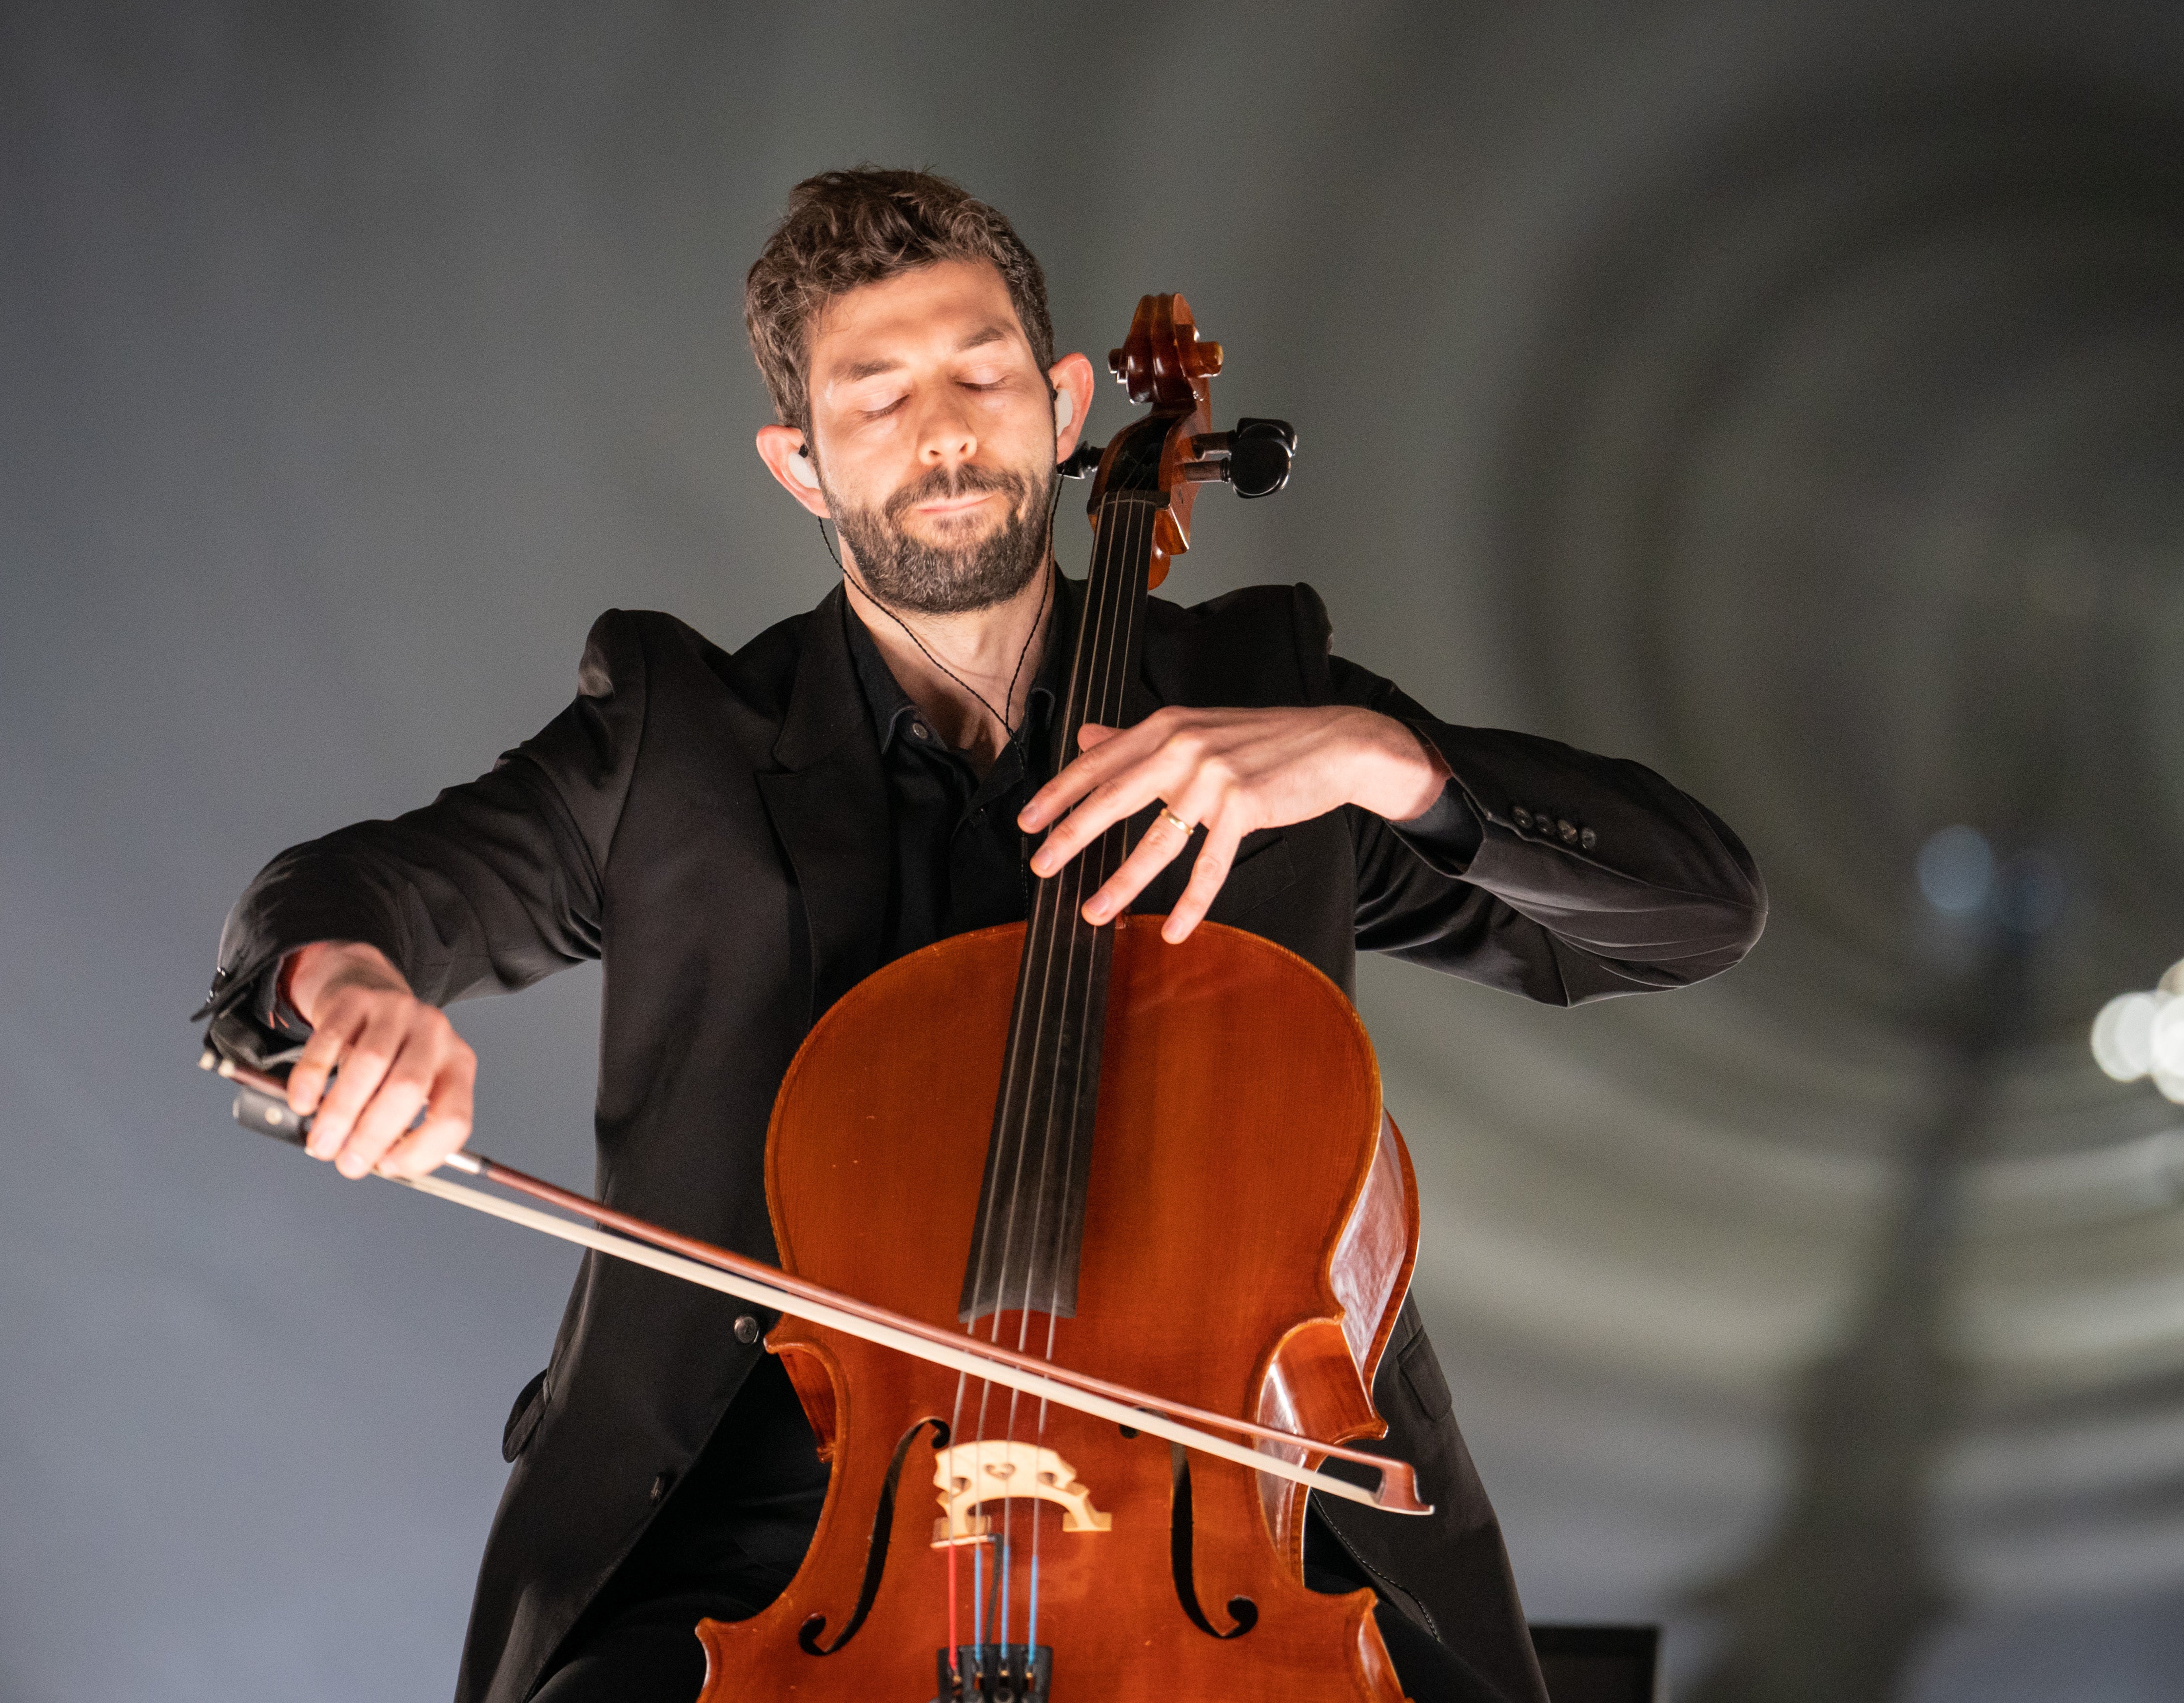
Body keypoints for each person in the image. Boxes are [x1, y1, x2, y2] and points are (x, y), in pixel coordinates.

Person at [198, 168, 1765, 1703]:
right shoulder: (677, 742)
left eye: (981, 371)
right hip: (767, 1540)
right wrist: (340, 988)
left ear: (1068, 405)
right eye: (874, 396)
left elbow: (1691, 909)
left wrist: (1388, 762)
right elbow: (359, 896)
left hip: (1227, 1521)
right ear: (801, 465)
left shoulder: (1252, 713)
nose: (942, 428)